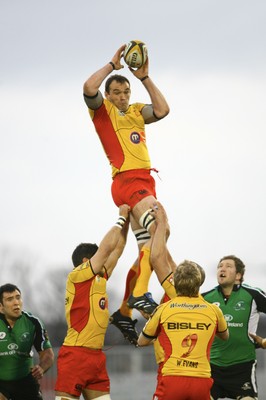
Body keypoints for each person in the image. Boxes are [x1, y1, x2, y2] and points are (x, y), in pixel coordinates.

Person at [83, 44, 175, 339]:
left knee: (151, 247)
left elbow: (162, 110)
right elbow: (88, 87)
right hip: (128, 182)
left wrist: (144, 78)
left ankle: (124, 311)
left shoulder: (135, 111)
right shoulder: (103, 111)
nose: (123, 97)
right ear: (108, 96)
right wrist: (112, 65)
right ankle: (139, 294)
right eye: (117, 93)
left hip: (143, 181)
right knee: (162, 224)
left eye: (126, 92)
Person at [138, 204, 229, 400]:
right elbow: (166, 259)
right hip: (201, 376)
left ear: (177, 279)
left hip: (170, 369)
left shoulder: (173, 292)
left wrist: (160, 225)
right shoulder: (209, 306)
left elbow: (158, 258)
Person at [55, 204, 130, 400]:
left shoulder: (99, 278)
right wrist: (120, 218)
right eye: (97, 258)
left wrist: (130, 219)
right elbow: (106, 250)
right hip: (75, 355)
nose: (103, 261)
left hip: (95, 357)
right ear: (86, 260)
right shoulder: (77, 275)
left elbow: (118, 248)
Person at [202, 255, 266, 400]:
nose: (222, 269)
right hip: (212, 367)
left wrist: (263, 342)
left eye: (228, 266)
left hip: (242, 366)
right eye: (220, 266)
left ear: (238, 275)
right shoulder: (205, 298)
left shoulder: (253, 295)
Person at [0, 283, 54, 400]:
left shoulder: (33, 322)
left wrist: (41, 368)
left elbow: (48, 354)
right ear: (1, 307)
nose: (16, 302)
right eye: (10, 299)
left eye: (18, 297)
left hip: (25, 381)